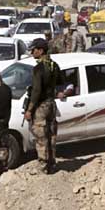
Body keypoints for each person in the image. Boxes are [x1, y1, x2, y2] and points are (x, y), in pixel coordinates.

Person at [24, 38, 63, 174]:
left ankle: (43, 166)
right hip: (51, 104)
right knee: (51, 135)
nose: (32, 52)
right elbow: (61, 82)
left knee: (41, 136)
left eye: (34, 50)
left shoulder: (39, 68)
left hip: (41, 106)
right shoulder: (54, 65)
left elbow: (36, 91)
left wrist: (29, 110)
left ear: (40, 51)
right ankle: (52, 163)